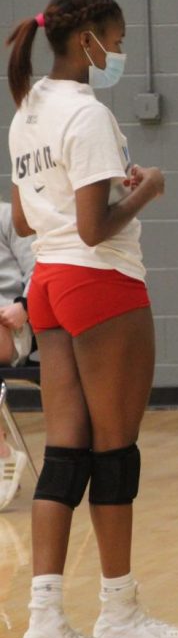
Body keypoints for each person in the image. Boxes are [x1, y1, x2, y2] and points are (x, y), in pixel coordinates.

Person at [6, 0, 178, 638]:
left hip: (49, 286)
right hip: (100, 281)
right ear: (84, 38)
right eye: (114, 41)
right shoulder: (87, 115)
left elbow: (27, 221)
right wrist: (145, 190)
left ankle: (45, 624)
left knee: (65, 454)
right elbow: (93, 227)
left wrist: (111, 189)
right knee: (115, 454)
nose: (118, 53)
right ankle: (119, 612)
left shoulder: (27, 109)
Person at [0, 199, 36, 511]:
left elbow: (40, 267)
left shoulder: (8, 217)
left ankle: (2, 455)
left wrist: (24, 305)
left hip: (10, 324)